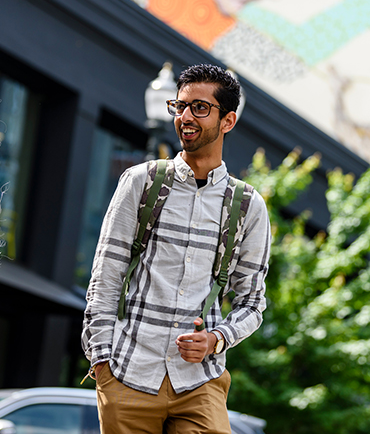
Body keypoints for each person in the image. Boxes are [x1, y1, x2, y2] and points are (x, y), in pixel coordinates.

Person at [82, 64, 272, 434]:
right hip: (128, 371)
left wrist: (217, 340)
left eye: (199, 108)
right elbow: (106, 275)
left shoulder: (248, 205)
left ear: (228, 121)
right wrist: (102, 359)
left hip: (198, 382)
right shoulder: (143, 182)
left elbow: (252, 301)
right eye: (180, 106)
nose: (185, 117)